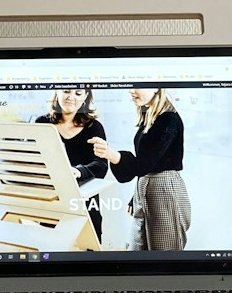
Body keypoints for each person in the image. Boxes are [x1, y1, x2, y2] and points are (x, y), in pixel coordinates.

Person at [90, 88, 190, 251]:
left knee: (163, 256)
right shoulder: (150, 116)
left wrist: (112, 155)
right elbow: (148, 163)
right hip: (146, 188)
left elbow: (145, 164)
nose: (131, 90)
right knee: (136, 251)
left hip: (163, 189)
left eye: (138, 85)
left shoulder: (168, 119)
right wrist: (136, 196)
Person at [35, 87, 107, 240]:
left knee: (89, 253)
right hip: (52, 202)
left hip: (86, 205)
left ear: (85, 97)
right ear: (57, 92)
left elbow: (101, 165)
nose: (71, 97)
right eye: (66, 91)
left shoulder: (94, 127)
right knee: (51, 250)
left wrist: (78, 171)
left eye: (78, 93)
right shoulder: (41, 123)